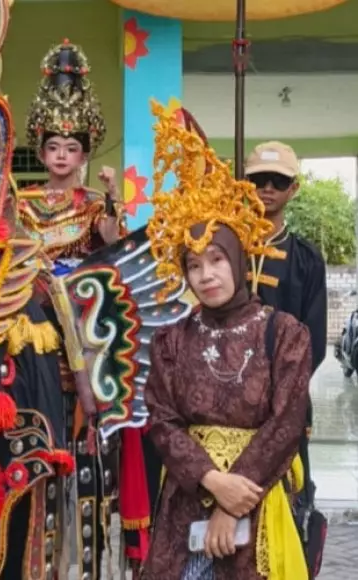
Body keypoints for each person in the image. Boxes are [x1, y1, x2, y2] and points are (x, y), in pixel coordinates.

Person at [141, 102, 311, 580]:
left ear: (237, 259)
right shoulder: (172, 340)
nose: (206, 275)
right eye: (193, 265)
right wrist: (212, 482)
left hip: (258, 502)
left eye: (217, 259)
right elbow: (162, 420)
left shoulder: (284, 334)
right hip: (184, 508)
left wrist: (232, 502)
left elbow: (287, 423)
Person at [19, 38, 140, 579]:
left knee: (90, 469)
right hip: (33, 341)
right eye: (53, 146)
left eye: (71, 146)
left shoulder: (94, 205)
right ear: (41, 151)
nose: (62, 155)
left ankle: (90, 567)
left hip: (86, 344)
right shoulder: (21, 202)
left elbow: (114, 250)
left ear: (85, 153)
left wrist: (112, 201)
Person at [245, 141, 327, 514]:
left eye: (278, 181)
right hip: (227, 401)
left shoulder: (307, 259)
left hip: (286, 401)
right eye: (259, 179)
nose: (267, 188)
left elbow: (315, 342)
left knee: (289, 506)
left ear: (293, 188)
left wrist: (276, 390)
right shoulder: (226, 248)